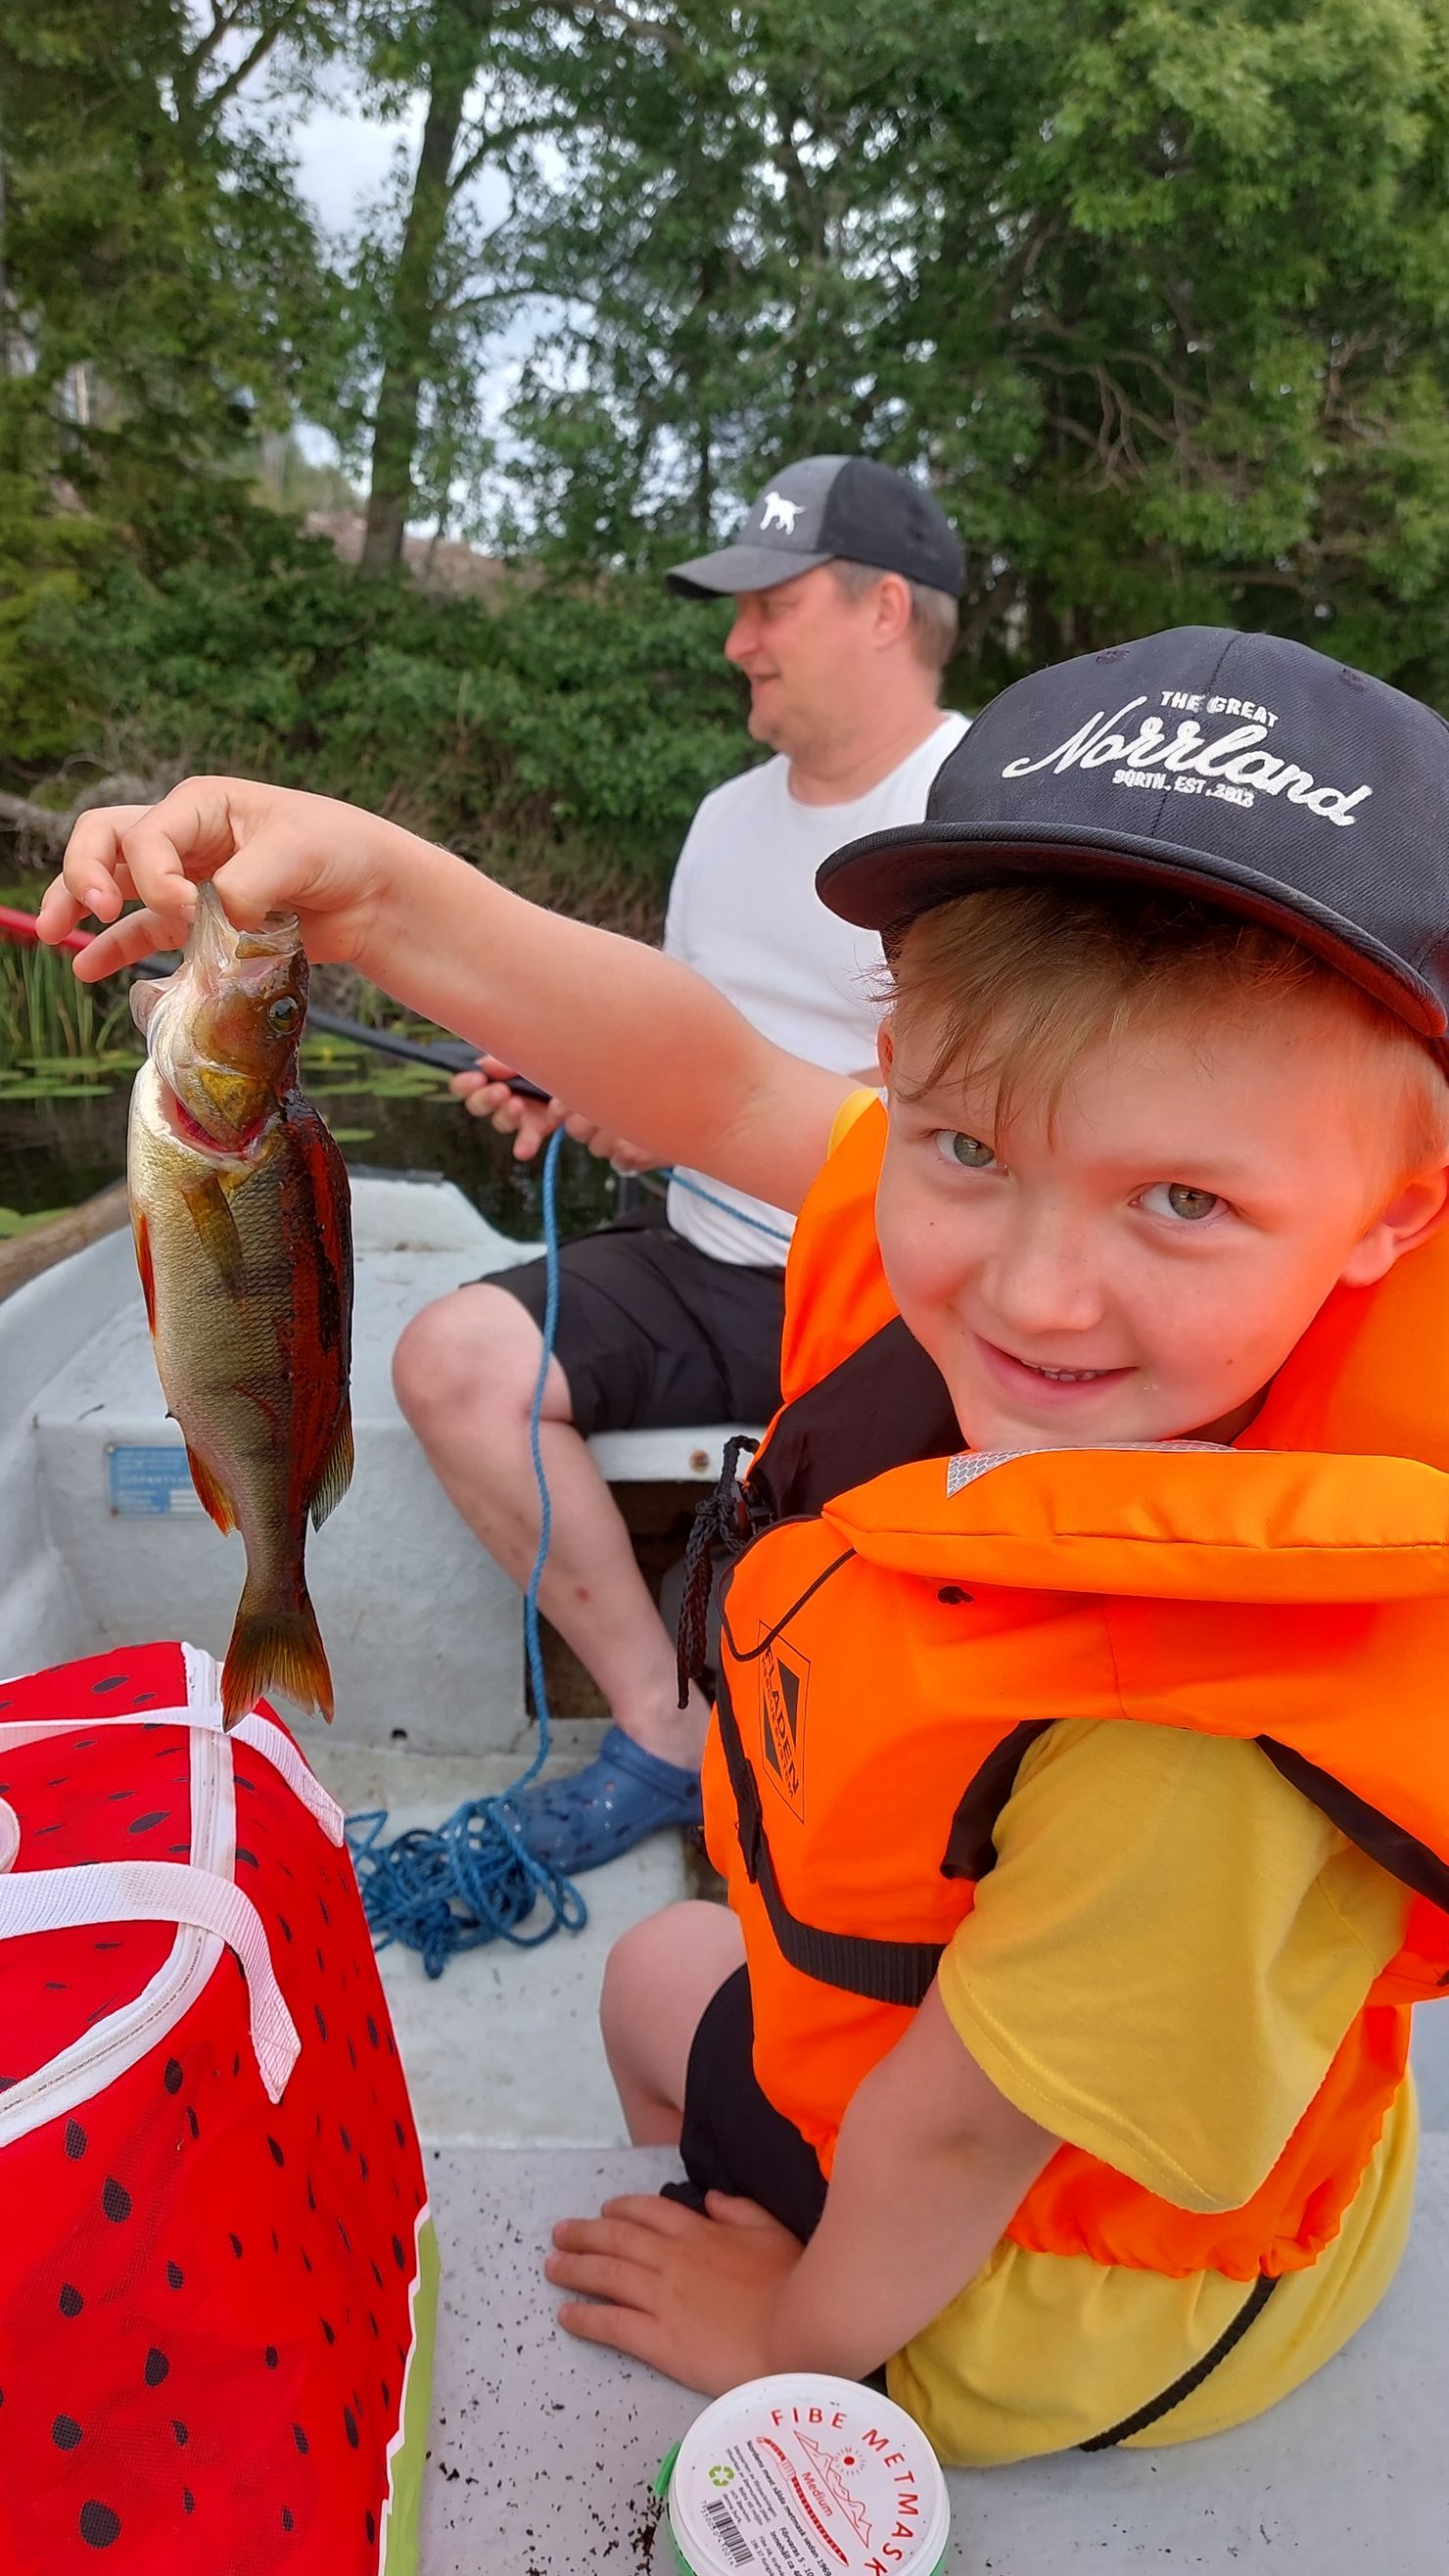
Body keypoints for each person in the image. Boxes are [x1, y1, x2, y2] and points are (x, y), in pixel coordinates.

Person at [40, 623, 1449, 2464]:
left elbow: (961, 2133)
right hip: (949, 2090)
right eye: (965, 1151)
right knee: (654, 1972)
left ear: (1396, 1212)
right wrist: (372, 889)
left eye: (1182, 1199)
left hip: (1042, 2302)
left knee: (682, 2031)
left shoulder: (1203, 1744)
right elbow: (716, 1085)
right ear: (907, 1079)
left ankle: (769, 2290)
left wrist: (786, 2334)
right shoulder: (1038, 1251)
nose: (1035, 1289)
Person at [392, 454, 966, 1874]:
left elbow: (1000, 1111)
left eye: (769, 607)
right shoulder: (722, 818)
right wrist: (576, 1078)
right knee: (453, 1364)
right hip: (703, 1256)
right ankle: (662, 1726)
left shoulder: (985, 809)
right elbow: (677, 1047)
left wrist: (697, 1115)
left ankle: (848, 1774)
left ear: (884, 608)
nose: (736, 644)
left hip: (904, 1292)